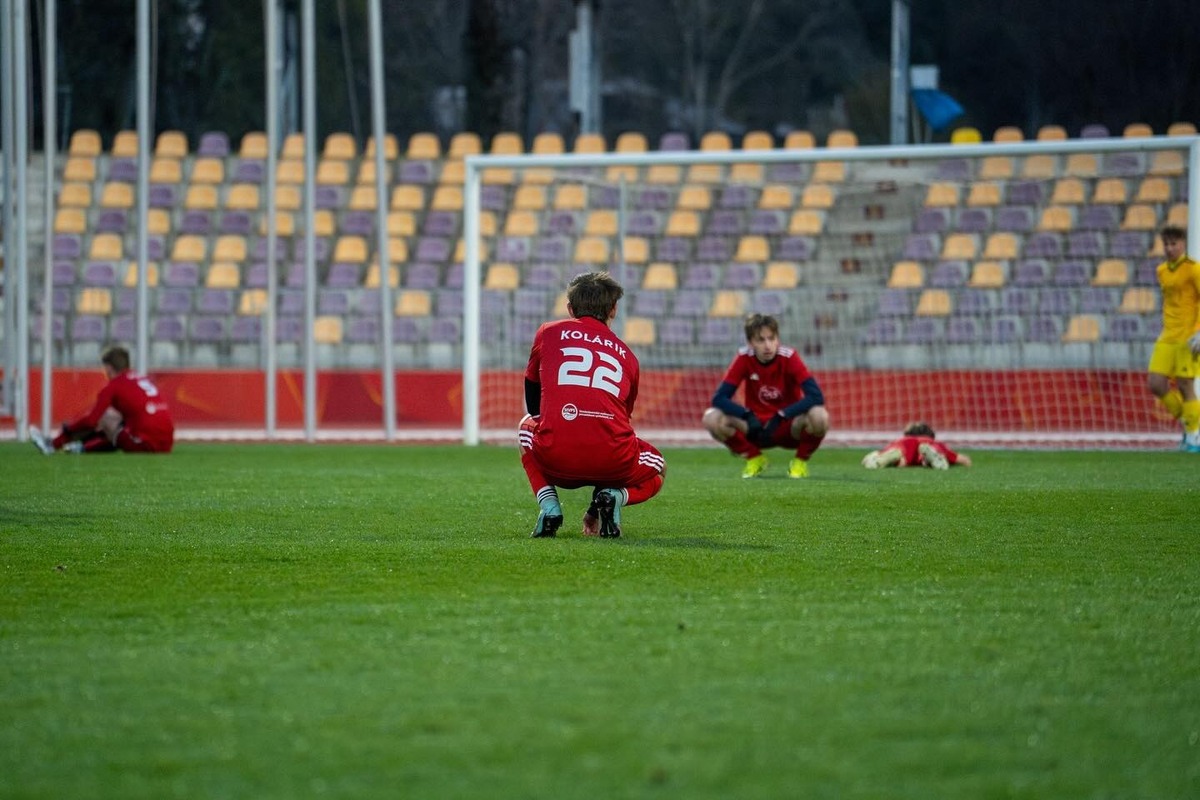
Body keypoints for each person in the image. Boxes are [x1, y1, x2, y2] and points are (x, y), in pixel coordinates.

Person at [518, 271, 665, 538]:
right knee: (658, 467)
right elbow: (616, 423)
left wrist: (544, 421)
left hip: (555, 460)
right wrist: (594, 507)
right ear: (613, 310)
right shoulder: (629, 357)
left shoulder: (548, 333)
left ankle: (549, 505)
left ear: (570, 309)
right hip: (611, 461)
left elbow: (531, 385)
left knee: (525, 428)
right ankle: (616, 498)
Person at [701, 313, 829, 478]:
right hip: (756, 428)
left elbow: (816, 396)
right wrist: (747, 415)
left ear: (777, 339)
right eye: (761, 340)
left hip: (787, 428)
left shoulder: (789, 356)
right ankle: (754, 458)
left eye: (772, 338)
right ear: (751, 342)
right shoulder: (744, 357)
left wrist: (782, 415)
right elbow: (719, 398)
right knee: (711, 417)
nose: (768, 345)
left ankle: (799, 463)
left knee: (820, 416)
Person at [30, 345, 175, 455]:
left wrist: (68, 428)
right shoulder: (142, 379)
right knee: (115, 419)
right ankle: (81, 448)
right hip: (167, 444)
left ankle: (52, 445)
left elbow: (92, 420)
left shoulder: (114, 386)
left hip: (145, 444)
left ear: (110, 368)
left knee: (105, 418)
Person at [1146, 224, 1200, 451]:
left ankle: (1193, 436)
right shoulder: (1162, 271)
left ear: (1183, 244)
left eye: (1174, 244)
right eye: (1166, 244)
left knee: (1186, 385)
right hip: (1167, 336)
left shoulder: (1194, 270)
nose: (1169, 248)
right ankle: (1190, 421)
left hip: (1188, 337)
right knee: (1155, 383)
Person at [861, 422, 972, 469]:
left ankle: (878, 457)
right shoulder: (930, 441)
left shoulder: (903, 440)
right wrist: (966, 462)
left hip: (903, 446)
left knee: (900, 457)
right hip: (927, 446)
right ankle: (933, 458)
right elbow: (964, 460)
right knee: (935, 453)